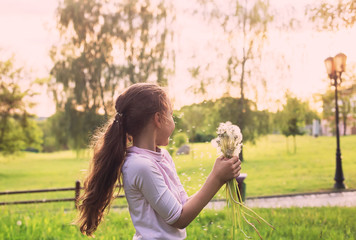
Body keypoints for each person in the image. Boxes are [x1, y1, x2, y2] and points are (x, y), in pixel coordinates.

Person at [76, 83, 241, 239]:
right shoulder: (139, 165)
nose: (173, 120)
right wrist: (217, 178)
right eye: (171, 114)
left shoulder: (162, 156)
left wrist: (220, 175)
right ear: (158, 119)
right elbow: (179, 219)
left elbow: (183, 206)